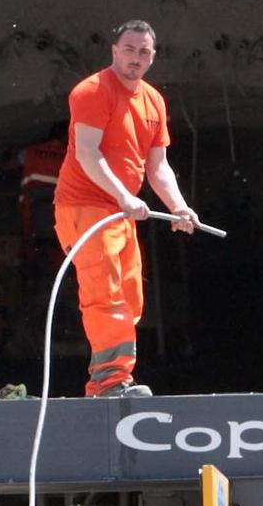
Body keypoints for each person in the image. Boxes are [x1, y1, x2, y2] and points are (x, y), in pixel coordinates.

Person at [53, 20, 200, 396]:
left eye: (144, 52)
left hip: (119, 212)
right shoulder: (92, 91)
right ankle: (109, 383)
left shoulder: (152, 100)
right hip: (85, 207)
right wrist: (124, 197)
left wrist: (180, 207)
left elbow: (158, 166)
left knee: (130, 296)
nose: (137, 58)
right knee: (106, 294)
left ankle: (115, 377)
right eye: (130, 50)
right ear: (114, 51)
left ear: (153, 57)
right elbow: (88, 154)